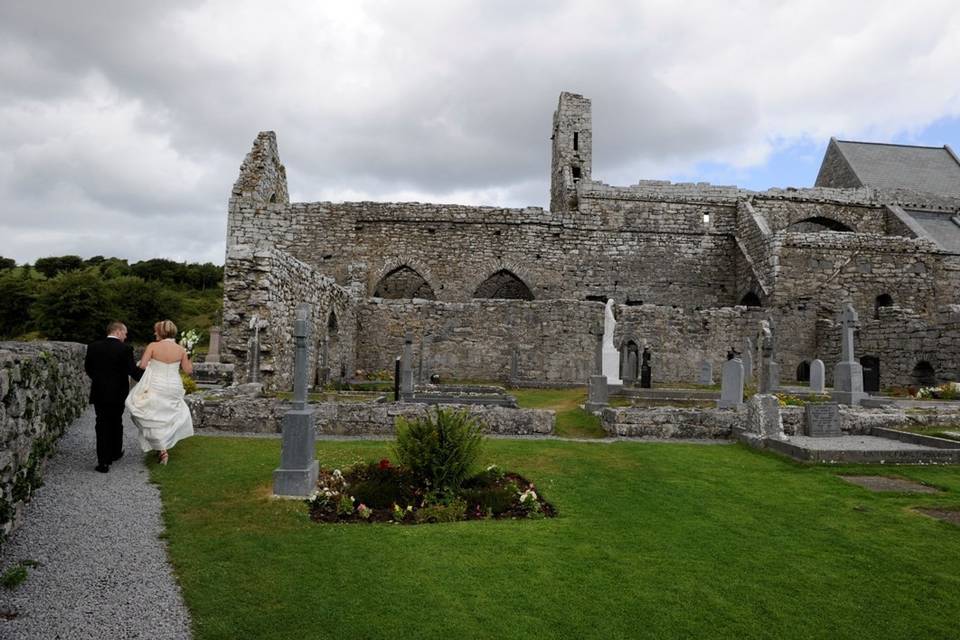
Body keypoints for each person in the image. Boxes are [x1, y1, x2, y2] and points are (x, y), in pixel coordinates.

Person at [125, 320, 194, 465]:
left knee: (152, 415)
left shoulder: (153, 346)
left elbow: (142, 365)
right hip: (174, 385)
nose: (154, 333)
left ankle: (161, 449)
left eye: (156, 331)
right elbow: (188, 370)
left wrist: (152, 364)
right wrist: (190, 356)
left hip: (156, 384)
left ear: (162, 332)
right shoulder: (181, 349)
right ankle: (162, 447)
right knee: (167, 416)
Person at [84, 321, 143, 473]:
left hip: (99, 391)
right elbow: (132, 371)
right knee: (116, 420)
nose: (126, 336)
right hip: (118, 392)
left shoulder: (93, 346)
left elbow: (88, 368)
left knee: (101, 423)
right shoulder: (125, 349)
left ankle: (103, 461)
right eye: (125, 333)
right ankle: (115, 452)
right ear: (117, 331)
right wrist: (150, 377)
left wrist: (99, 380)